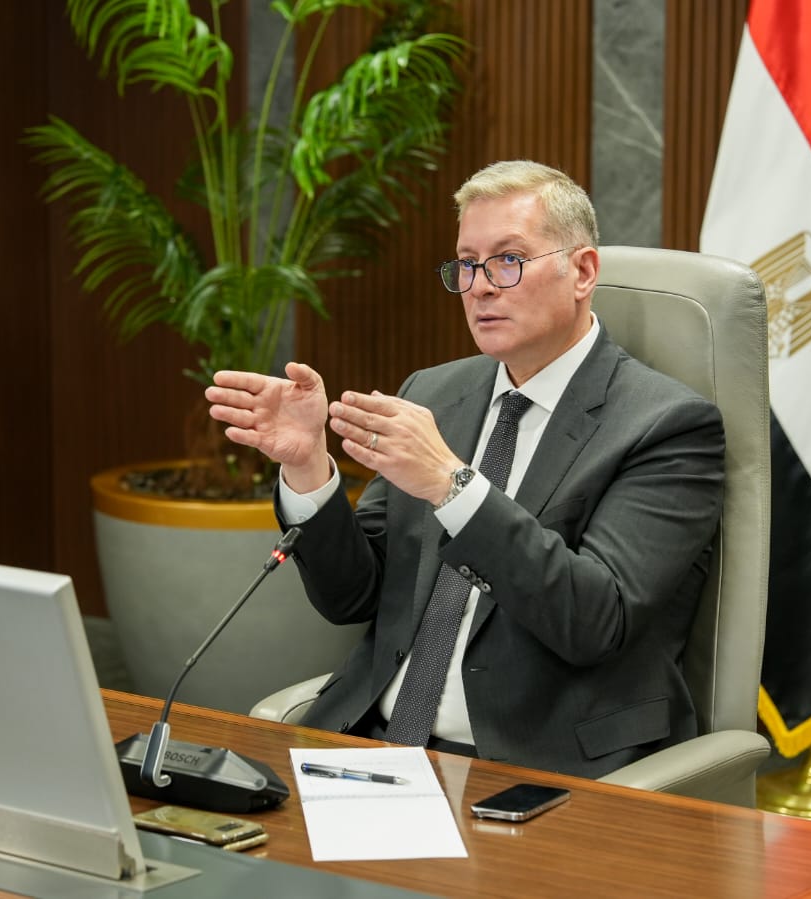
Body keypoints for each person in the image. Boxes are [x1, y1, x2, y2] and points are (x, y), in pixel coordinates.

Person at [205, 160, 725, 779]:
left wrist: (454, 487)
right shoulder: (434, 394)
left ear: (583, 271)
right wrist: (309, 468)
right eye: (467, 265)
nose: (480, 287)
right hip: (373, 744)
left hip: (535, 770)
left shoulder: (667, 425)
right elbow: (357, 596)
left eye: (508, 260)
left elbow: (592, 622)